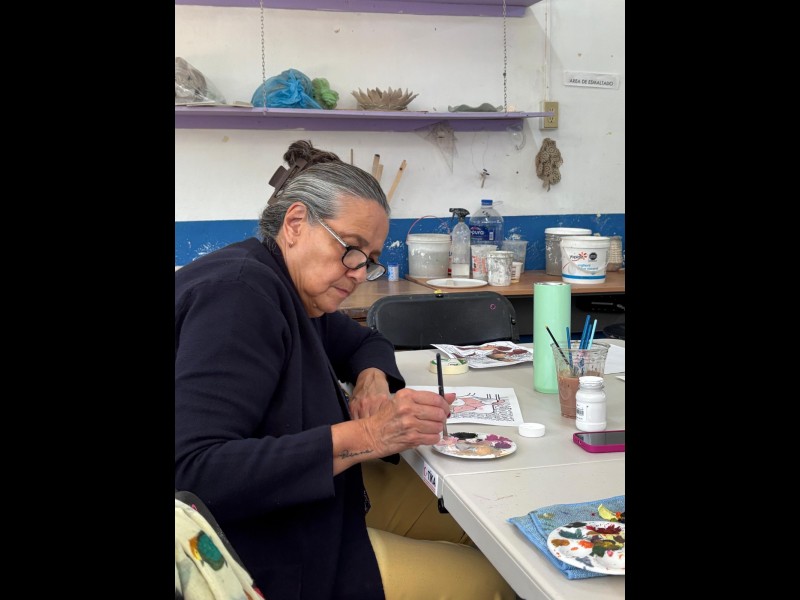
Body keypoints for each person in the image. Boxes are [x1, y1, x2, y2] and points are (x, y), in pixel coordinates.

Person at [175, 140, 516, 600]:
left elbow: (366, 342)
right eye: (351, 250)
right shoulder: (239, 299)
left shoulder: (292, 287)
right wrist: (369, 435)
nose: (358, 272)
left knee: (493, 529)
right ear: (295, 223)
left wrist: (372, 380)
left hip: (318, 500)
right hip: (259, 547)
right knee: (495, 580)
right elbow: (195, 474)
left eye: (369, 260)